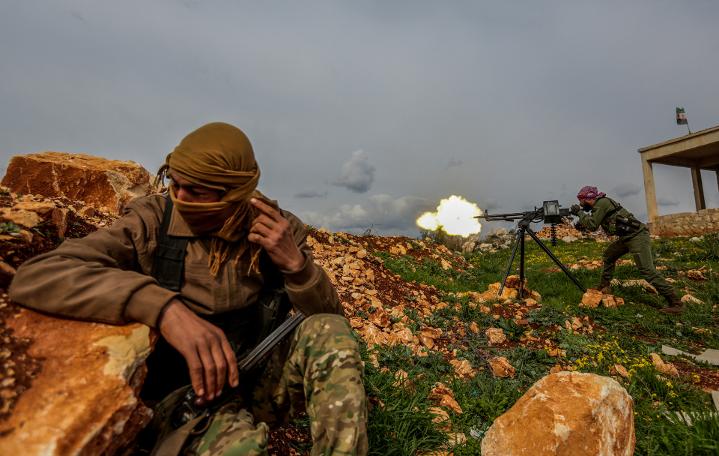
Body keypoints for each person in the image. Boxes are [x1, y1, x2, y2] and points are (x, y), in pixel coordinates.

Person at [9, 122, 368, 455]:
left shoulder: (277, 229)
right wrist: (163, 308)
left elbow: (330, 322)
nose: (179, 197)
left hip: (252, 378)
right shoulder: (152, 220)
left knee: (330, 333)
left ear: (235, 193)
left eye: (196, 192)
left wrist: (296, 266)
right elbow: (39, 275)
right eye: (175, 184)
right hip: (180, 399)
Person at [570, 185, 683, 315]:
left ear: (588, 198)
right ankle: (604, 286)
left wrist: (579, 212)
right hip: (626, 237)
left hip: (637, 236)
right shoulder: (600, 205)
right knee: (609, 256)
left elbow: (593, 225)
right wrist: (581, 223)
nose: (581, 203)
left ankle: (676, 303)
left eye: (582, 200)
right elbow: (593, 224)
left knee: (647, 270)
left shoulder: (601, 203)